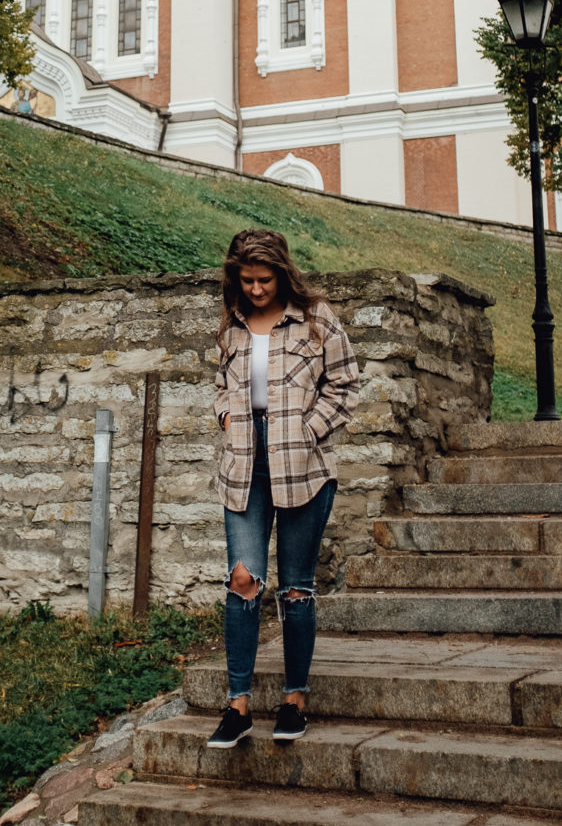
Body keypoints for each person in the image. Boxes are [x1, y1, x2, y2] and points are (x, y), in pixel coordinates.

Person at [208, 228, 360, 748]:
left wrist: (308, 430)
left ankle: (294, 700)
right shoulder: (232, 325)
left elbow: (346, 385)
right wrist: (227, 415)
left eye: (264, 279)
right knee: (243, 579)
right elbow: (220, 387)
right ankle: (237, 706)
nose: (255, 289)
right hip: (243, 465)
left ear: (283, 273)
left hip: (303, 466)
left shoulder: (317, 320)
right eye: (246, 280)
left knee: (296, 589)